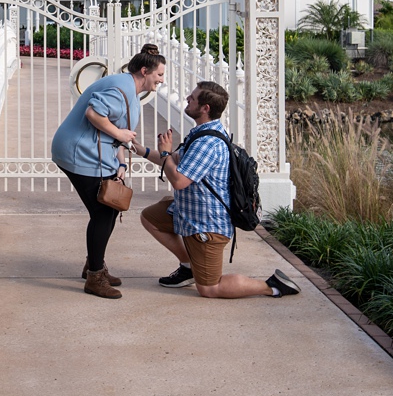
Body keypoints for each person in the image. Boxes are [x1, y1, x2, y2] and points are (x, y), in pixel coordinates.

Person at [137, 81, 300, 299]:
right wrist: (140, 150)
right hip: (188, 213)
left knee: (210, 289)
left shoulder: (208, 143)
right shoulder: (201, 133)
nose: (187, 98)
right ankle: (188, 267)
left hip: (206, 226)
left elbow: (178, 180)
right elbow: (175, 160)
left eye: (193, 98)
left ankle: (271, 285)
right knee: (151, 218)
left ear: (205, 108)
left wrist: (165, 153)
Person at [52, 43, 165, 299]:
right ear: (144, 71)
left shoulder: (129, 89)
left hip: (93, 151)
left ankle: (95, 264)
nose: (161, 80)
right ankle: (94, 276)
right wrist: (119, 134)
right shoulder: (120, 88)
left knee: (107, 211)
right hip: (78, 151)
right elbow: (95, 114)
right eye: (159, 75)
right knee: (103, 212)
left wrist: (121, 163)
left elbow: (118, 133)